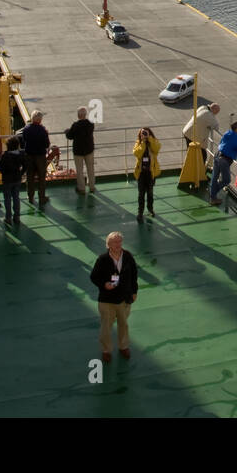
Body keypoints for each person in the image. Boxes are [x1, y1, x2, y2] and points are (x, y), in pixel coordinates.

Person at [89, 231, 138, 362]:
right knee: (106, 327)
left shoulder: (127, 256)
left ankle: (123, 347)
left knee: (124, 324)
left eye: (119, 241)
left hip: (124, 298)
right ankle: (106, 350)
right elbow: (94, 277)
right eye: (114, 242)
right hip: (107, 300)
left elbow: (134, 275)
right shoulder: (102, 259)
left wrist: (134, 292)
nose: (118, 244)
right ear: (108, 244)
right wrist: (104, 284)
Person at [208, 120, 237, 205]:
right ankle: (213, 194)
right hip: (225, 160)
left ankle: (212, 196)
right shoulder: (236, 137)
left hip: (217, 155)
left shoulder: (227, 133)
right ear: (236, 129)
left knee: (215, 177)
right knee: (226, 180)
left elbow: (222, 142)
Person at [20, 110, 50, 208]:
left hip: (29, 155)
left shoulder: (26, 129)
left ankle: (30, 197)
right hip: (40, 156)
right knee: (41, 177)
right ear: (40, 120)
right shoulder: (42, 130)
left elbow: (24, 140)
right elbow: (47, 144)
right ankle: (42, 197)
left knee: (30, 176)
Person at [65, 107, 96, 195]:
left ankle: (81, 188)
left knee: (79, 170)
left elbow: (70, 136)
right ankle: (92, 186)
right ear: (85, 115)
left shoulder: (75, 125)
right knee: (90, 168)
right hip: (89, 149)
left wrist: (67, 131)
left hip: (78, 151)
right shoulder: (90, 124)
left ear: (78, 116)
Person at [182, 102, 220, 170]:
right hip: (194, 136)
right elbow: (216, 126)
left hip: (188, 132)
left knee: (190, 154)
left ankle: (189, 169)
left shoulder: (202, 108)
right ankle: (200, 173)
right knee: (202, 156)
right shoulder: (209, 115)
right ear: (213, 110)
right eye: (216, 112)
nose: (216, 114)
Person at [133, 127, 160, 222]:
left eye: (145, 133)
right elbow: (137, 153)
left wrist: (149, 139)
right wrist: (143, 142)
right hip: (141, 173)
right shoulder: (138, 143)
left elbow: (156, 149)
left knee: (150, 193)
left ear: (150, 133)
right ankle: (140, 212)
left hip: (151, 172)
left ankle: (150, 209)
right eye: (142, 133)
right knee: (141, 194)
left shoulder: (153, 141)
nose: (143, 135)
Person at [0, 135, 26, 225]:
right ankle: (17, 217)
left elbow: (0, 167)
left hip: (7, 180)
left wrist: (4, 173)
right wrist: (20, 173)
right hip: (17, 179)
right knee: (16, 198)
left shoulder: (5, 156)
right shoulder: (21, 154)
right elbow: (25, 165)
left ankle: (8, 218)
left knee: (7, 199)